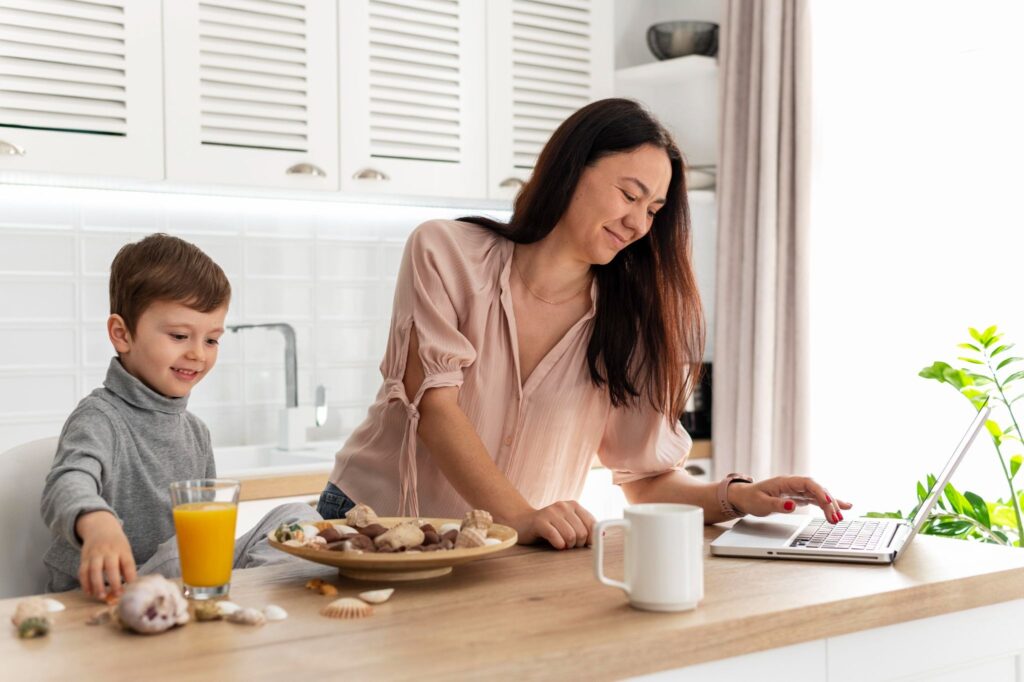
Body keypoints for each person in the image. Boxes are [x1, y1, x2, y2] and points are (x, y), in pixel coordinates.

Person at [319, 98, 852, 549]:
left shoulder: (630, 320)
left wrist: (737, 496)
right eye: (630, 195)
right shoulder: (445, 252)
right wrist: (523, 518)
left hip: (499, 552)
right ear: (571, 168)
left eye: (654, 210)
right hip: (372, 525)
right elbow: (435, 409)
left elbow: (647, 481)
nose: (638, 222)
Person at [40, 234, 319, 599]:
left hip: (182, 575)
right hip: (111, 587)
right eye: (179, 335)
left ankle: (242, 598)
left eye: (211, 340)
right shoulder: (100, 417)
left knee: (299, 519)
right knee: (182, 552)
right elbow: (66, 482)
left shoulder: (196, 433)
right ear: (122, 334)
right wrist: (98, 524)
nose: (198, 354)